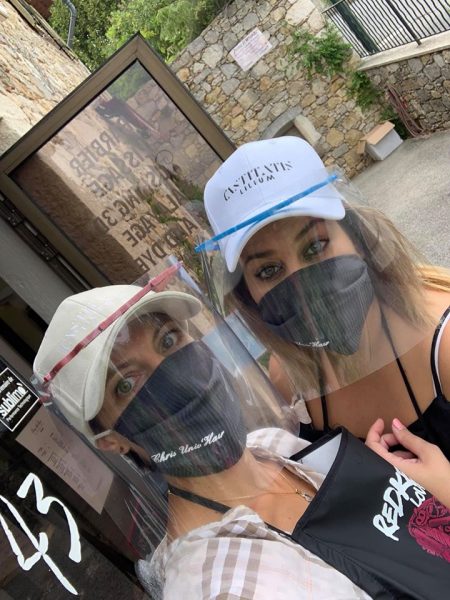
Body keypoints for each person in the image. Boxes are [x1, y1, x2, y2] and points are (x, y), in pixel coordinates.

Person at [32, 264, 450, 599]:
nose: (179, 378)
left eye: (169, 340)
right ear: (111, 440)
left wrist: (422, 491)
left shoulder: (273, 446)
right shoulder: (223, 585)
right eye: (126, 384)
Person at [198, 136, 450, 457]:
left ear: (356, 236)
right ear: (247, 295)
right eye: (268, 270)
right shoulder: (290, 378)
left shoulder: (443, 344)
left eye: (315, 246)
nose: (302, 288)